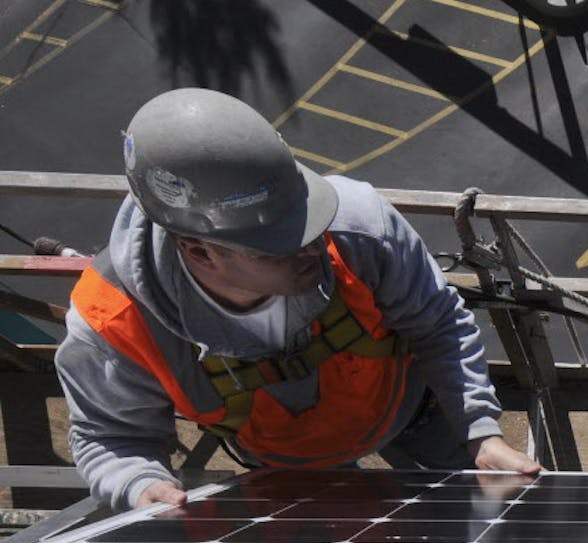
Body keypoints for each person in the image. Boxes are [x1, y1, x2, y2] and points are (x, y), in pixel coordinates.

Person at [57, 88, 540, 511]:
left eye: (309, 221)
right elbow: (111, 437)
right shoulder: (113, 319)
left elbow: (438, 324)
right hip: (286, 462)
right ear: (199, 250)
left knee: (480, 520)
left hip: (411, 409)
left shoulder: (357, 225)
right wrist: (141, 485)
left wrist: (481, 429)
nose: (313, 245)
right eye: (282, 243)